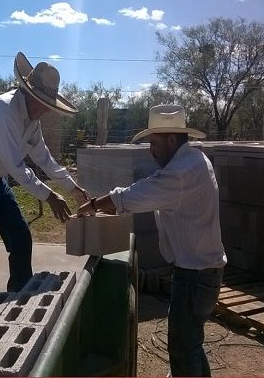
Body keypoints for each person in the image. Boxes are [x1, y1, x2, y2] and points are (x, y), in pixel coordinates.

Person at [78, 105, 227, 377]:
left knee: (183, 348)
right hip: (202, 271)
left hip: (195, 276)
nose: (150, 149)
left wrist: (94, 205)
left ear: (172, 140)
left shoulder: (181, 172)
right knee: (190, 343)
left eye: (154, 143)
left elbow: (134, 196)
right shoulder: (195, 159)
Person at [0, 52, 89, 292]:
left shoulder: (32, 121)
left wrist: (74, 189)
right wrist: (50, 196)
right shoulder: (5, 109)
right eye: (45, 105)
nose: (48, 111)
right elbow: (16, 167)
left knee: (21, 237)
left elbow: (45, 159)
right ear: (31, 96)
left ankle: (19, 293)